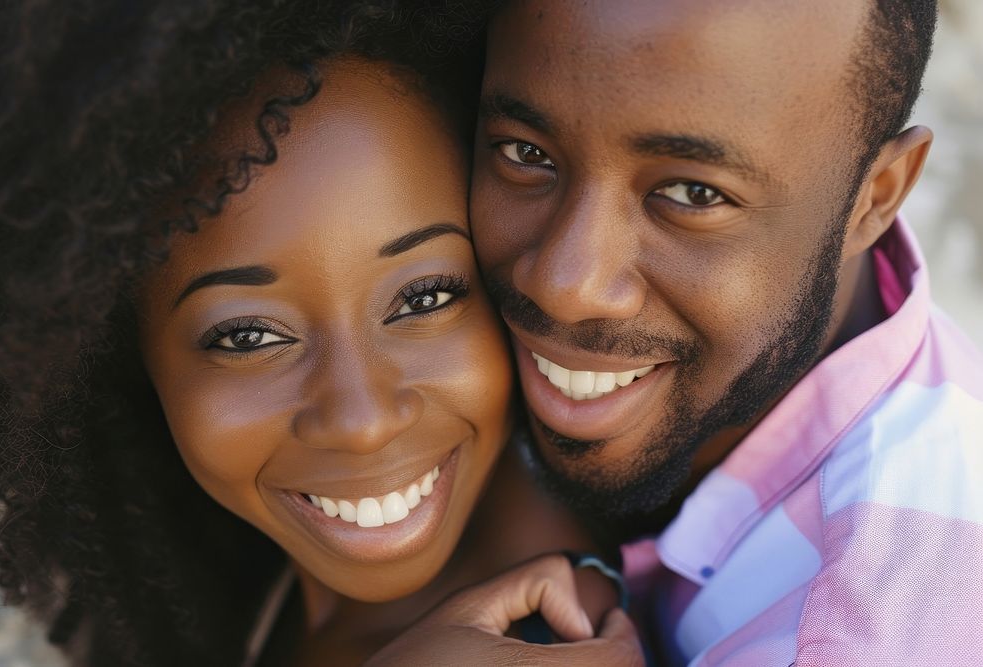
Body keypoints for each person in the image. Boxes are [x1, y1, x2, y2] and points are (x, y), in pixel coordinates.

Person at [0, 2, 637, 665]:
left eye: (424, 297)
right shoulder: (200, 576)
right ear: (109, 351)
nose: (363, 420)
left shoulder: (552, 642)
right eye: (248, 338)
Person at [372, 0, 983, 665]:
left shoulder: (850, 641)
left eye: (693, 193)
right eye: (526, 153)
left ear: (875, 198)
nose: (566, 284)